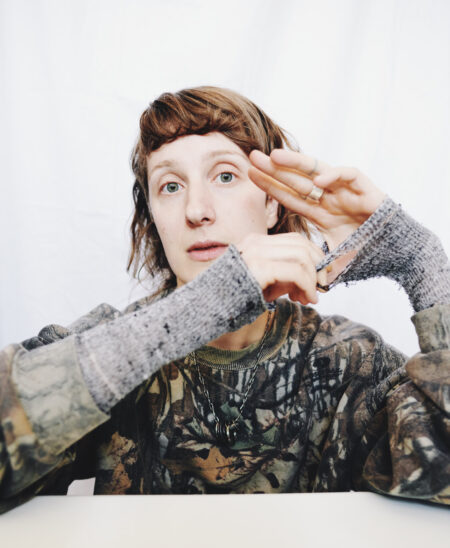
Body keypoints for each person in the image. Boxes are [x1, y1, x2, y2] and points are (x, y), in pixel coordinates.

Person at [0, 85, 449, 515]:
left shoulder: (347, 361)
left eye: (226, 176)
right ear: (154, 217)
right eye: (170, 186)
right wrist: (194, 311)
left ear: (273, 203)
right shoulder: (109, 348)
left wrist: (422, 264)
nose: (197, 210)